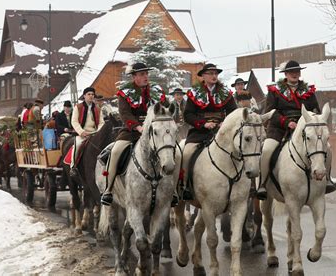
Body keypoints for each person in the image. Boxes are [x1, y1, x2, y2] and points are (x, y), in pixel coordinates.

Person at [256, 60, 336, 200]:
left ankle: (328, 179)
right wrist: (286, 122)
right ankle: (262, 184)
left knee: (327, 148)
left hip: (305, 128)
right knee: (267, 150)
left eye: (297, 71)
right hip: (279, 129)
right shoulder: (274, 91)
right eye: (291, 72)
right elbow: (271, 113)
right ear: (285, 74)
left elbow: (316, 111)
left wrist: (313, 120)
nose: (295, 74)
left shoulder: (309, 91)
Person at [100, 62, 168, 206]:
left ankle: (174, 191)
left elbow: (165, 108)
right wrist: (137, 127)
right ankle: (109, 189)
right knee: (116, 151)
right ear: (134, 76)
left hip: (154, 131)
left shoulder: (156, 90)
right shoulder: (125, 93)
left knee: (173, 150)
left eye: (146, 74)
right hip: (132, 131)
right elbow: (125, 113)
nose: (145, 77)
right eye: (142, 74)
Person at [181, 63, 237, 200]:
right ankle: (184, 186)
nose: (214, 76)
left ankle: (246, 185)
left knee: (241, 150)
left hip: (222, 132)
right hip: (199, 132)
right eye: (210, 73)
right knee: (186, 153)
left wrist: (226, 123)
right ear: (203, 76)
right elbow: (187, 115)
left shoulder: (226, 93)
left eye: (216, 74)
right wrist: (203, 124)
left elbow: (234, 112)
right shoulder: (194, 93)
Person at [70, 87, 105, 177]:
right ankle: (73, 167)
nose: (91, 96)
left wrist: (98, 132)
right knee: (77, 145)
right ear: (84, 96)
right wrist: (81, 132)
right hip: (82, 134)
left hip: (95, 133)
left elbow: (101, 122)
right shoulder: (78, 107)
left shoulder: (97, 108)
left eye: (92, 94)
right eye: (89, 94)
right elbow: (74, 121)